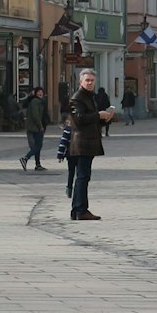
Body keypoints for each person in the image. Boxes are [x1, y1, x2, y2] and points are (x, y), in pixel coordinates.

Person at [65, 69, 115, 219]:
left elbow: (90, 118)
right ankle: (80, 210)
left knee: (83, 176)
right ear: (80, 82)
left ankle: (77, 210)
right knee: (82, 176)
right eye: (87, 80)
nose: (90, 83)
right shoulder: (77, 98)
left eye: (92, 80)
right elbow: (79, 119)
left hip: (88, 141)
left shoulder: (90, 97)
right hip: (81, 142)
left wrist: (105, 117)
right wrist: (98, 115)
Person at [19, 86, 48, 172]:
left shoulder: (39, 101)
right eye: (38, 92)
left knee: (37, 146)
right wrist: (40, 126)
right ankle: (25, 158)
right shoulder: (35, 101)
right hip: (36, 127)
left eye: (41, 92)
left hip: (35, 127)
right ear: (35, 93)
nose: (40, 93)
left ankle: (38, 164)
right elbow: (36, 116)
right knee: (38, 146)